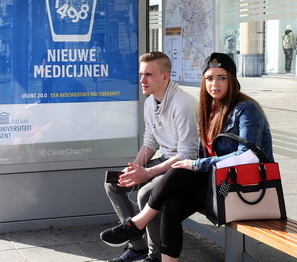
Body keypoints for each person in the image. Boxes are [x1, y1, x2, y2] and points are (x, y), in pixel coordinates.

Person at [99, 53, 274, 262]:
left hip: (239, 188)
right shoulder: (210, 109)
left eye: (221, 78)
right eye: (209, 78)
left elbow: (249, 156)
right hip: (216, 181)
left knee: (179, 170)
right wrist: (138, 167)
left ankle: (138, 225)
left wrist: (196, 164)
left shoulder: (246, 109)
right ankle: (147, 244)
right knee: (170, 203)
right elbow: (154, 141)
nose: (214, 84)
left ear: (232, 80)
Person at [104, 52, 199, 262]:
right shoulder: (150, 102)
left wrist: (146, 173)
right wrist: (135, 168)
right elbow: (150, 141)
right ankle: (137, 245)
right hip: (165, 159)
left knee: (146, 194)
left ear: (165, 76)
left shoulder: (183, 104)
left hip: (184, 168)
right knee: (114, 184)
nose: (142, 80)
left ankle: (154, 255)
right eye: (141, 74)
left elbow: (187, 154)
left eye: (148, 75)